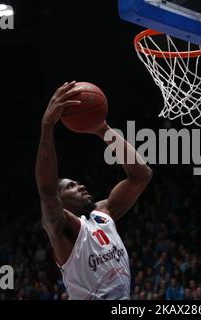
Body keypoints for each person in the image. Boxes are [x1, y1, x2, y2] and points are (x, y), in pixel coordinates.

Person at [35, 81, 153, 300]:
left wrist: (103, 130)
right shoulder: (63, 229)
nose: (80, 185)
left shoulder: (104, 212)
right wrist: (47, 126)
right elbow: (47, 190)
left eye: (78, 183)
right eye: (70, 185)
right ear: (60, 200)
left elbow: (141, 176)